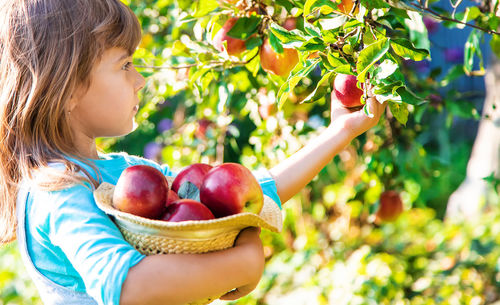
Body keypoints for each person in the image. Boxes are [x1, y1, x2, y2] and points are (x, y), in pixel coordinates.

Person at [0, 1, 386, 304]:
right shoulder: (58, 190)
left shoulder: (125, 172)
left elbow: (236, 195)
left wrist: (341, 132)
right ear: (66, 88)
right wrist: (245, 261)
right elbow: (128, 287)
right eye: (125, 65)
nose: (140, 80)